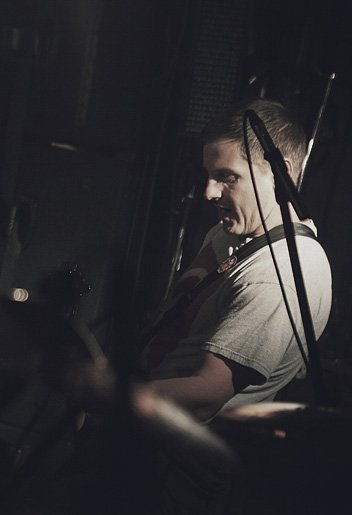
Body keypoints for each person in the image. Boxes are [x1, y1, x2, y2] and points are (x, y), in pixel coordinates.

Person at [140, 97, 332, 422]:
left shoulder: (281, 270)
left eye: (228, 177)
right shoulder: (228, 232)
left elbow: (206, 395)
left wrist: (107, 392)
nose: (209, 192)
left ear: (280, 174)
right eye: (209, 175)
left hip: (168, 446)